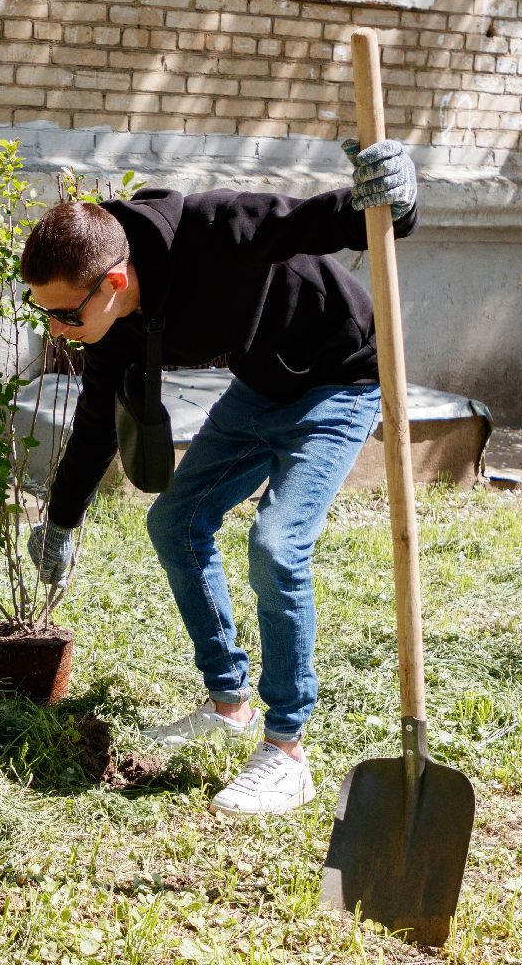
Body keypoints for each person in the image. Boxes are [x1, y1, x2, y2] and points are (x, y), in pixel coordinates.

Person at [21, 140, 417, 816]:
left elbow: (346, 222)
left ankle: (287, 750)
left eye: (64, 315)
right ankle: (227, 702)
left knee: (277, 544)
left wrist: (395, 195)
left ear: (112, 282)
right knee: (175, 521)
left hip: (341, 381)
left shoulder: (218, 227)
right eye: (44, 315)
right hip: (263, 387)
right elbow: (95, 420)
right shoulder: (110, 321)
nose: (56, 329)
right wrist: (60, 518)